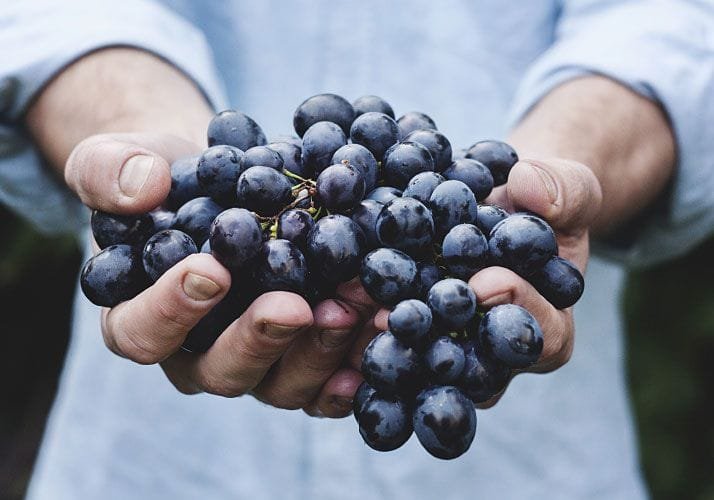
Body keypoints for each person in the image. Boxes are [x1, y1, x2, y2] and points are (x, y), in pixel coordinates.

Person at [1, 1, 713, 498]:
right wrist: (135, 130)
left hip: (531, 465)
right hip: (153, 464)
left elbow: (668, 23)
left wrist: (565, 164)